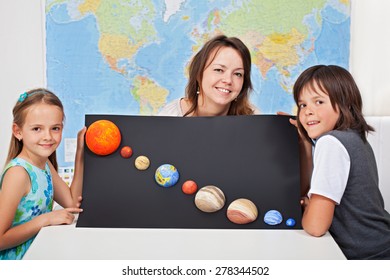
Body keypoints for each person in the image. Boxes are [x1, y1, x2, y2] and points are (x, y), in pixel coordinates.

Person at [294, 65, 390, 259]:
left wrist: (310, 208)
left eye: (319, 101)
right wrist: (305, 143)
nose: (307, 112)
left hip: (370, 258)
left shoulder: (331, 143)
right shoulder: (355, 138)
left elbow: (315, 227)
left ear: (344, 104)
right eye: (302, 104)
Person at [0, 88, 86, 260]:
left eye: (55, 128)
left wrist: (80, 154)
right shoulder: (19, 173)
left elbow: (72, 201)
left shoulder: (44, 164)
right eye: (37, 129)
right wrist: (45, 219)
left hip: (39, 255)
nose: (48, 136)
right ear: (18, 131)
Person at [158, 34, 260, 116]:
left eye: (238, 74)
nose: (228, 80)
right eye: (219, 70)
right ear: (199, 74)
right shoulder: (171, 115)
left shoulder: (253, 117)